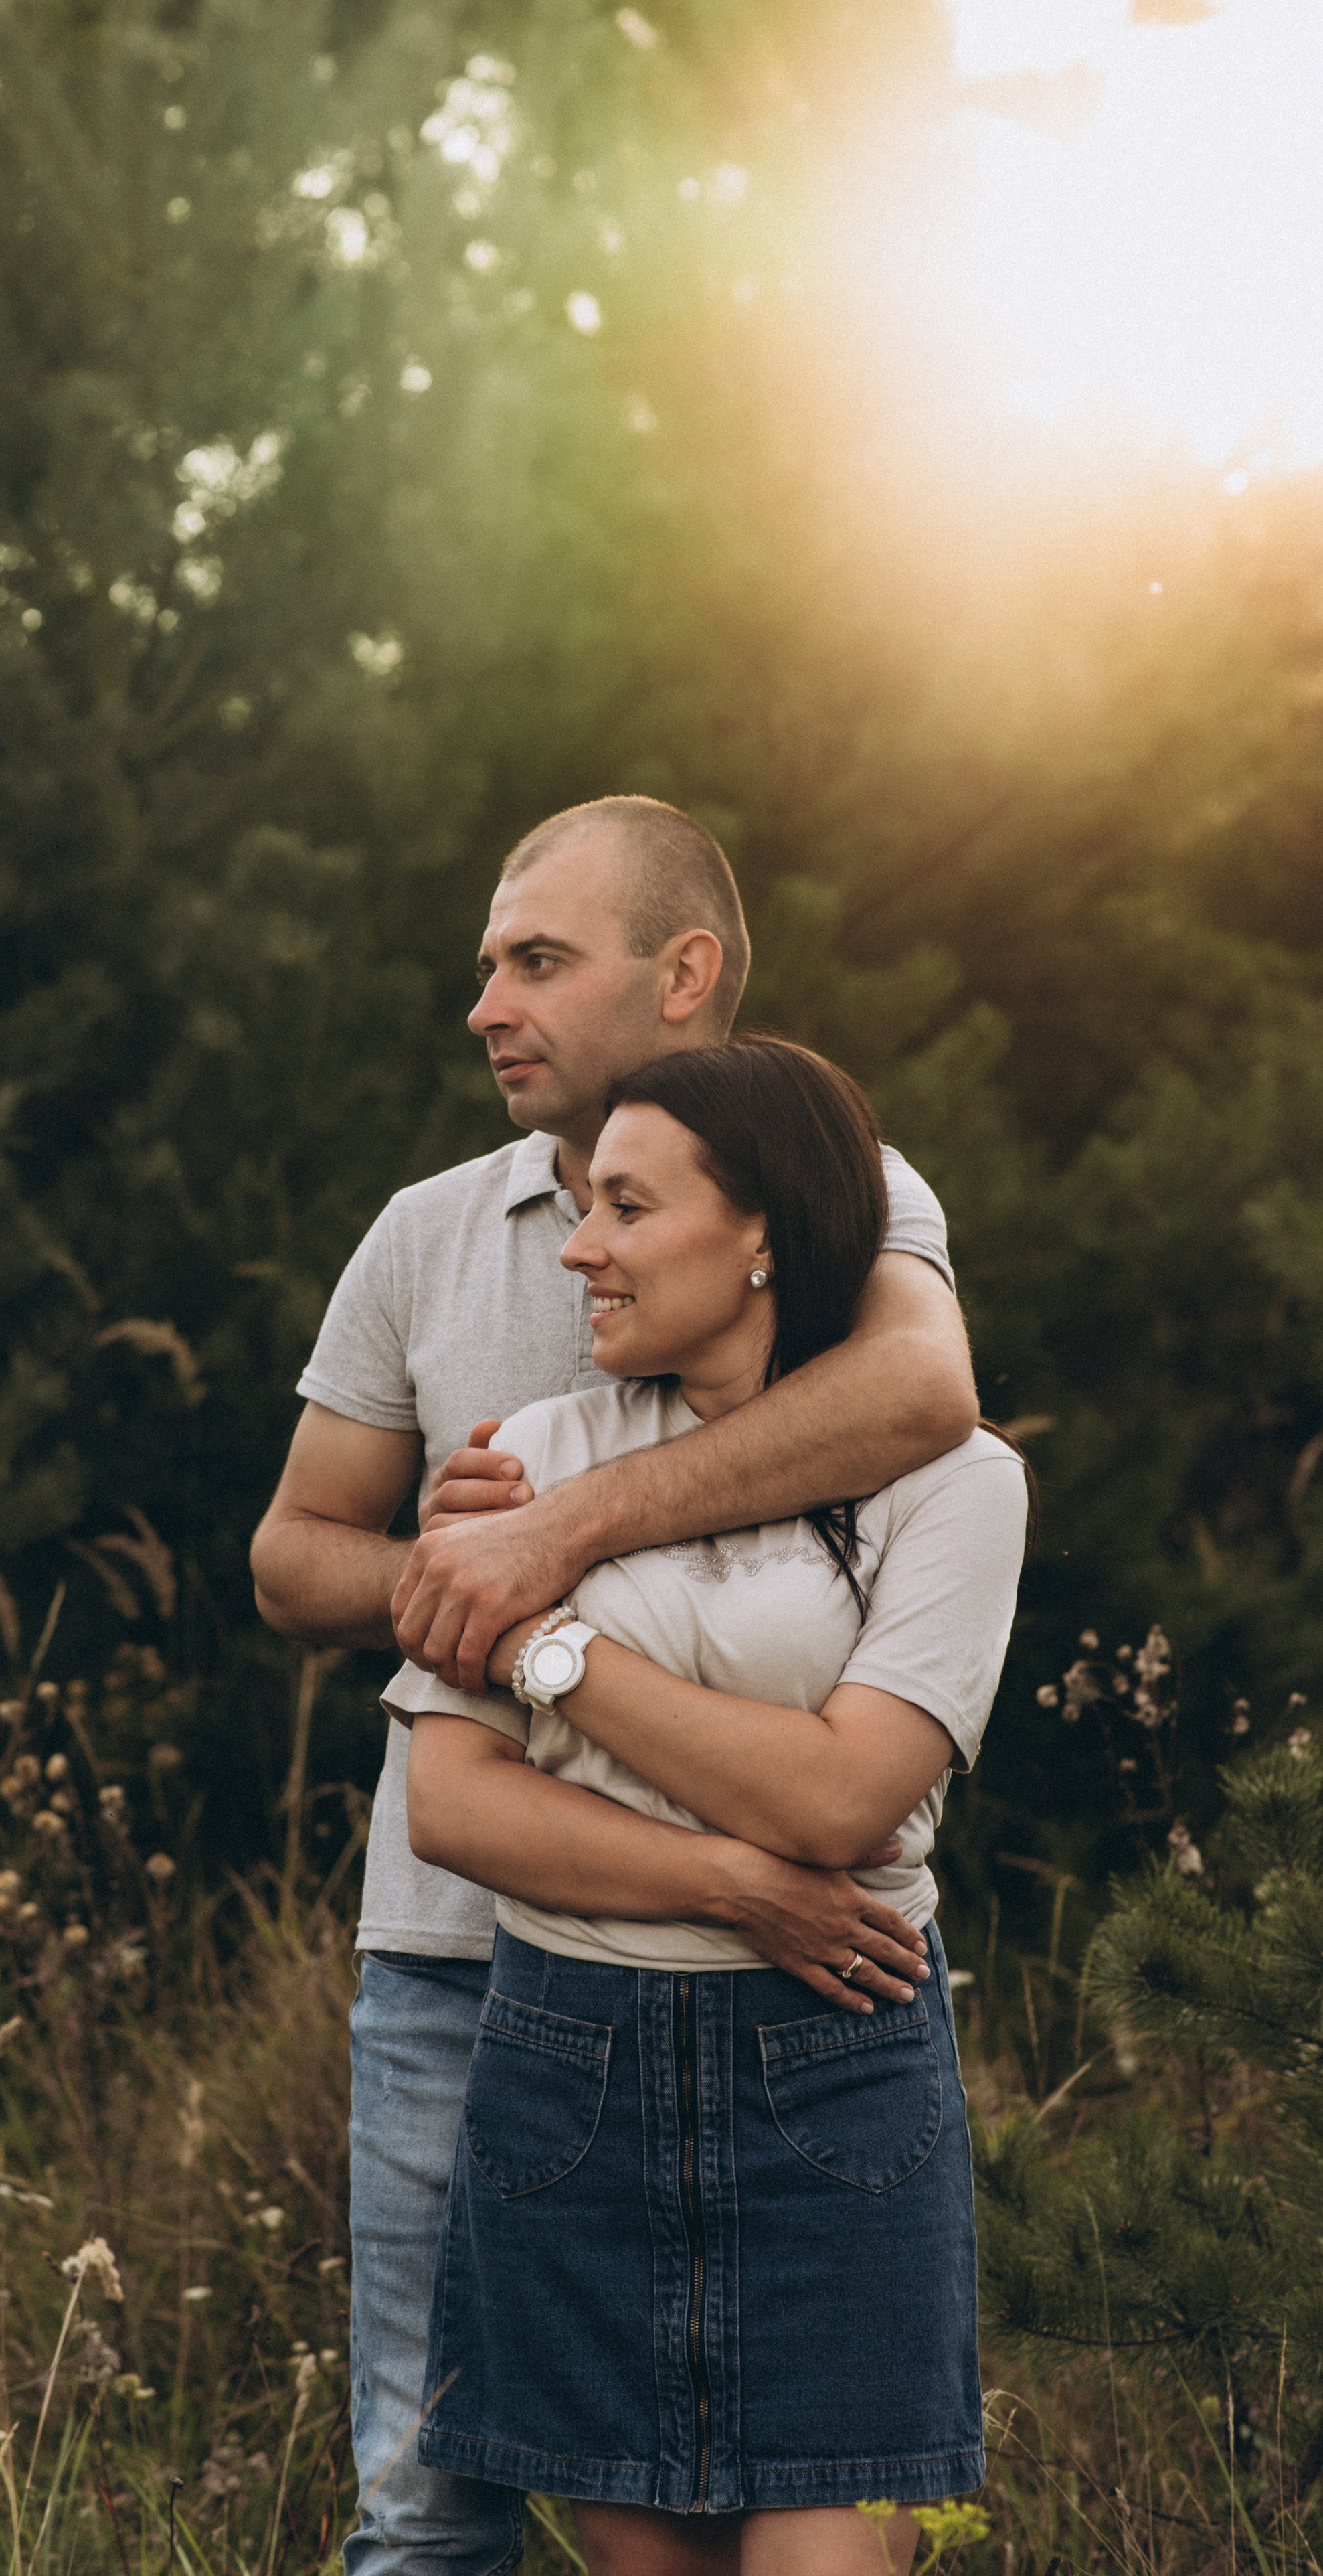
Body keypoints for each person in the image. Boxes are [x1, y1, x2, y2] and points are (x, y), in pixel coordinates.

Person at [250, 797, 981, 2576]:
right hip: (459, 1956)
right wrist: (459, 1577)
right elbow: (294, 1558)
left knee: (804, 2484)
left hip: (791, 1970)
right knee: (429, 2513)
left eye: (536, 961)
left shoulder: (849, 1195)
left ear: (686, 973)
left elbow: (920, 1401)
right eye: (487, 963)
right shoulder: (429, 1232)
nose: (486, 1003)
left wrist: (553, 1538)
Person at [398, 1036, 1028, 2575]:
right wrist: (730, 1883)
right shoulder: (523, 1459)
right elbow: (453, 1808)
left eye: (624, 1204)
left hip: (834, 2081)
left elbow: (840, 1799)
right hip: (569, 2075)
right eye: (580, 1204)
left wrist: (551, 1645)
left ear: (761, 1233)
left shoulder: (953, 1482)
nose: (581, 1245)